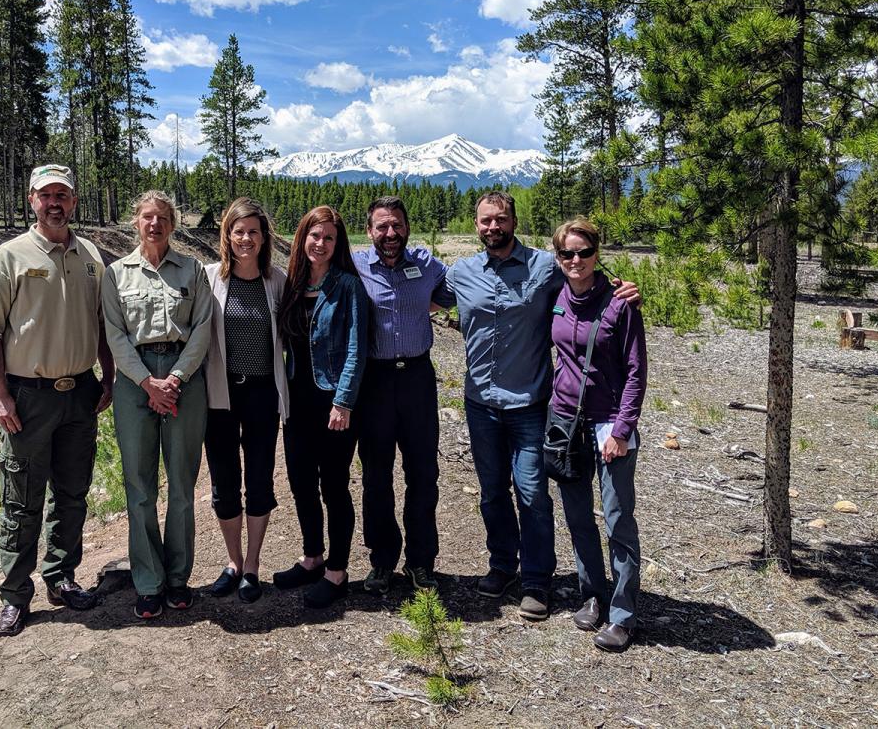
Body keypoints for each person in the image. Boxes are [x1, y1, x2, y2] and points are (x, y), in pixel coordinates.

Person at [442, 191, 639, 622]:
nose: (493, 227)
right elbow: (422, 292)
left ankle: (536, 580)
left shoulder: (545, 267)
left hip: (532, 405)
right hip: (480, 404)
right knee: (493, 493)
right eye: (485, 221)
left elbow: (587, 278)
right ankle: (501, 566)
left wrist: (625, 291)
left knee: (532, 493)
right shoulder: (461, 273)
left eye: (500, 219)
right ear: (476, 225)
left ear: (513, 221)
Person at [0, 163, 114, 638]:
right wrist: (0, 397)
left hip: (80, 393)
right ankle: (15, 596)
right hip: (28, 398)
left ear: (74, 202)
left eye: (64, 195)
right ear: (31, 199)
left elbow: (102, 326)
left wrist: (109, 377)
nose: (56, 203)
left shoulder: (91, 256)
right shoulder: (9, 256)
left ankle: (61, 576)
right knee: (22, 499)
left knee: (72, 495)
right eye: (47, 195)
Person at [102, 190, 212, 620]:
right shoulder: (116, 274)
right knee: (140, 488)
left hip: (184, 378)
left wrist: (176, 379)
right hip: (135, 381)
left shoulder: (193, 270)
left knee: (183, 487)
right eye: (147, 217)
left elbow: (202, 327)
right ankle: (148, 582)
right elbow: (114, 334)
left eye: (163, 217)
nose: (155, 224)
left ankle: (179, 578)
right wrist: (148, 382)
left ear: (173, 223)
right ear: (136, 222)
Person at [549, 217, 646, 652]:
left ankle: (623, 614)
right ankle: (593, 593)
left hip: (609, 423)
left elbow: (635, 371)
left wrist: (622, 430)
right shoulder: (556, 296)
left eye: (584, 252)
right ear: (558, 257)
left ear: (596, 254)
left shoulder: (620, 304)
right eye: (567, 253)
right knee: (577, 516)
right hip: (566, 421)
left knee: (617, 518)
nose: (576, 260)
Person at [352, 196, 452, 595]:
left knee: (423, 474)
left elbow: (463, 290)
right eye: (382, 227)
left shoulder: (428, 264)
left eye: (396, 226)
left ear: (407, 228)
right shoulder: (356, 266)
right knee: (376, 475)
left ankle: (421, 561)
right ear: (370, 231)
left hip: (417, 378)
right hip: (374, 382)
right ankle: (381, 560)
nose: (390, 234)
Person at [272, 206, 370, 608]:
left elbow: (355, 348)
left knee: (333, 485)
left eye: (329, 238)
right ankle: (312, 556)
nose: (321, 243)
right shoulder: (291, 284)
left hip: (333, 403)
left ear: (338, 243)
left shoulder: (348, 286)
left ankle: (337, 570)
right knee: (300, 483)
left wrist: (344, 401)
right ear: (303, 238)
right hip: (296, 400)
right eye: (315, 236)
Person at [202, 198, 289, 604]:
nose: (246, 238)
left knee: (259, 478)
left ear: (263, 236)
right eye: (239, 231)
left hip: (261, 394)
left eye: (253, 231)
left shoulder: (278, 281)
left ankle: (253, 565)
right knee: (223, 482)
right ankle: (233, 561)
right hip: (220, 393)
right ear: (227, 235)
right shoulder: (209, 280)